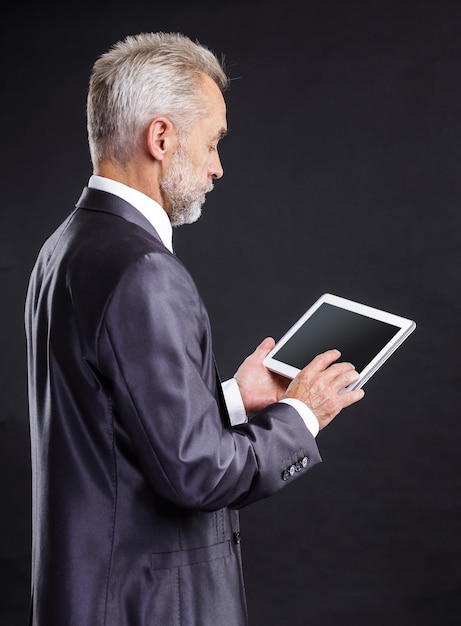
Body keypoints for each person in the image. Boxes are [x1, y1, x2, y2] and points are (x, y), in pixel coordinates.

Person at [24, 32, 364, 626]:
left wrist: (231, 399)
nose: (217, 167)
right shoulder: (145, 268)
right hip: (146, 608)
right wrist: (301, 415)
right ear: (161, 138)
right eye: (212, 144)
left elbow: (111, 429)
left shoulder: (61, 250)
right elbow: (197, 474)